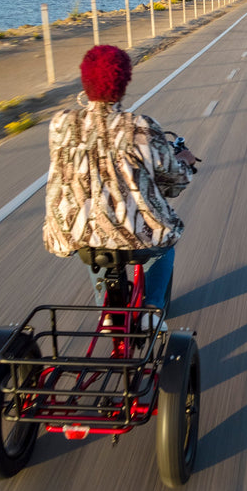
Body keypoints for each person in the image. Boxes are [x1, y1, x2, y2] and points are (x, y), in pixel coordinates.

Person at [43, 45, 197, 323]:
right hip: (133, 236)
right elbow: (175, 180)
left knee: (93, 238)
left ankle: (109, 315)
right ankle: (151, 309)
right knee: (164, 245)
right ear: (123, 83)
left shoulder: (60, 124)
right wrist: (184, 161)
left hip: (74, 233)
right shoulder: (140, 127)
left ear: (85, 80)